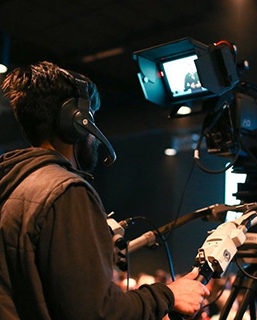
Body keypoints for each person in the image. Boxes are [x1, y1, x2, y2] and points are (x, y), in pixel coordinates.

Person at [0, 61, 209, 320]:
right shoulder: (66, 192)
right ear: (76, 120)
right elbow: (97, 312)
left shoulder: (13, 185)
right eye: (92, 118)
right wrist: (168, 295)